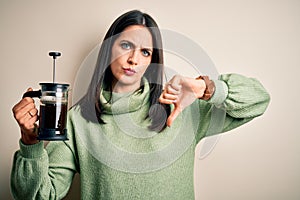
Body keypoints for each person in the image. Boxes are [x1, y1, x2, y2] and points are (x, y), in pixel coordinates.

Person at [11, 10, 270, 200]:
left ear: (152, 60)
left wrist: (206, 87)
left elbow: (259, 100)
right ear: (108, 49)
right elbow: (40, 195)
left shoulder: (179, 105)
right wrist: (30, 145)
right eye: (126, 45)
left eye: (145, 52)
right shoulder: (77, 121)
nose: (134, 59)